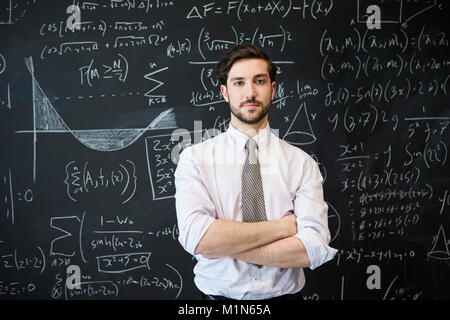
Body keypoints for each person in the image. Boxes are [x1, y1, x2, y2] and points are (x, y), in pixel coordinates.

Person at [174, 44, 337, 300]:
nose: (250, 92)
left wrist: (222, 245)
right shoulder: (195, 160)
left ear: (272, 90)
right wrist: (282, 228)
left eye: (259, 81)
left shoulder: (302, 164)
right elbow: (199, 238)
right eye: (239, 83)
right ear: (225, 92)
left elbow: (311, 250)